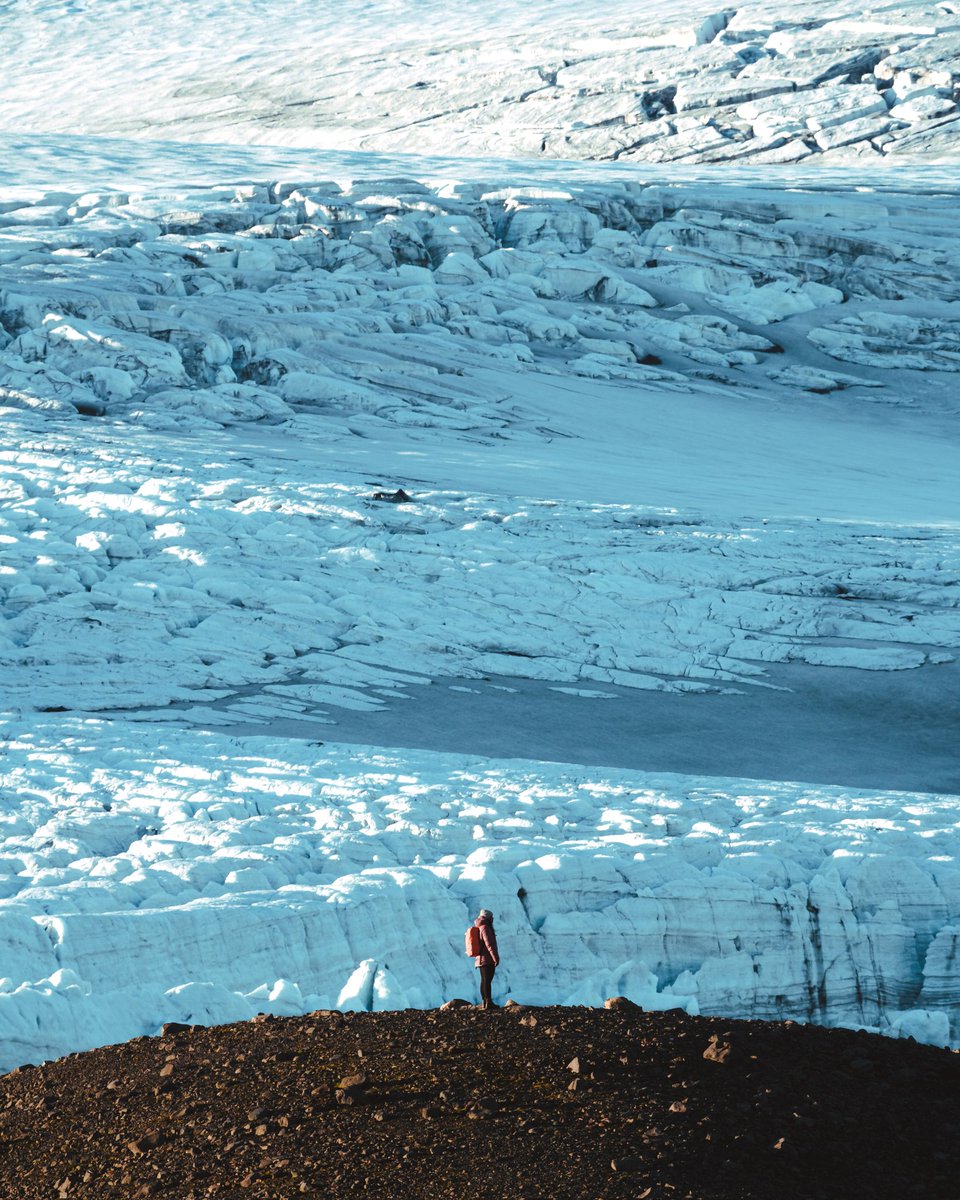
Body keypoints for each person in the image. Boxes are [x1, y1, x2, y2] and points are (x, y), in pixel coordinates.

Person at [472, 909, 500, 1009]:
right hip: (486, 959)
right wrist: (495, 958)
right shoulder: (485, 928)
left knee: (484, 980)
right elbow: (490, 945)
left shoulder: (479, 926)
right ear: (488, 917)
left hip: (480, 959)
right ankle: (488, 1003)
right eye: (492, 917)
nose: (493, 919)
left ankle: (485, 1002)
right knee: (487, 980)